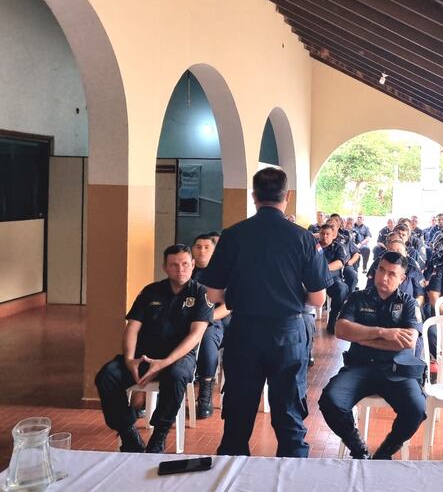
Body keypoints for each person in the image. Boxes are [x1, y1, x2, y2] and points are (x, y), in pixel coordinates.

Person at [202, 167, 332, 457]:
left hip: (244, 332)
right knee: (289, 419)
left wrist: (242, 291)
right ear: (287, 197)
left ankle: (231, 491)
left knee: (237, 419)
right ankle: (289, 491)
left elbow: (212, 293)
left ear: (254, 197)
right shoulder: (303, 239)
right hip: (288, 335)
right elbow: (318, 298)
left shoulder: (233, 235)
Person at [94, 244, 212, 453]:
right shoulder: (151, 291)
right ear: (165, 267)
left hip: (177, 359)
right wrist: (130, 359)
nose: (180, 269)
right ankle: (128, 433)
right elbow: (132, 328)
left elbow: (196, 335)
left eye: (185, 264)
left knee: (176, 376)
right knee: (107, 375)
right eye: (174, 265)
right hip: (144, 358)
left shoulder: (202, 293)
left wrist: (164, 363)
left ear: (193, 265)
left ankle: (159, 434)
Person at [319, 252, 426, 460]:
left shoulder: (409, 304)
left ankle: (385, 452)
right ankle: (358, 448)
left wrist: (361, 337)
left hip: (396, 371)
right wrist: (383, 333)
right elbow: (341, 330)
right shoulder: (357, 297)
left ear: (402, 278)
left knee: (416, 409)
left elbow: (408, 342)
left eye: (392, 274)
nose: (384, 277)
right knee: (330, 400)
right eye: (381, 270)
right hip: (360, 367)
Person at [190, 234, 231, 419]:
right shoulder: (186, 270)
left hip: (213, 321)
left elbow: (228, 306)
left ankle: (205, 394)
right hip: (184, 321)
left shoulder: (222, 274)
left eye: (207, 247)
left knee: (207, 339)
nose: (202, 251)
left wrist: (204, 318)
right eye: (198, 246)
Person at [318, 223, 350, 334]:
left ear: (333, 236)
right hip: (314, 279)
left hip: (332, 280)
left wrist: (323, 269)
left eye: (328, 234)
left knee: (342, 288)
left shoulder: (337, 247)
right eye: (322, 233)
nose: (325, 236)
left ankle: (333, 319)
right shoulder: (313, 246)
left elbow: (340, 263)